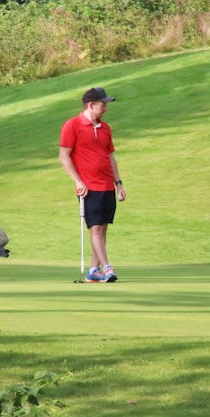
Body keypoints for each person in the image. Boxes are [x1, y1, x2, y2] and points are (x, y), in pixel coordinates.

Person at [59, 87, 127, 282]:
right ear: (91, 105)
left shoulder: (105, 128)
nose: (105, 108)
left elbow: (110, 157)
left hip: (107, 186)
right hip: (89, 187)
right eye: (102, 104)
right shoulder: (72, 125)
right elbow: (64, 156)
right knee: (95, 228)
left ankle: (93, 270)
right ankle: (107, 267)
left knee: (103, 228)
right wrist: (78, 181)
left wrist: (118, 183)